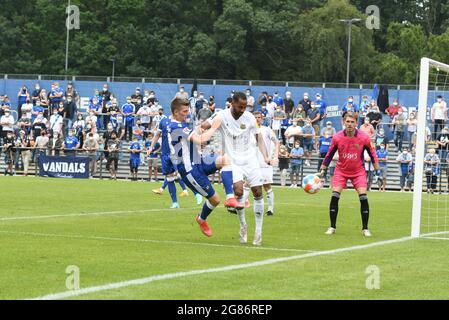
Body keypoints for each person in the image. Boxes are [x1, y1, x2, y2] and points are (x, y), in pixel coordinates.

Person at [199, 92, 270, 246]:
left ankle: (258, 231)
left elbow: (259, 138)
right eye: (240, 107)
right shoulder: (221, 115)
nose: (242, 110)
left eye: (245, 107)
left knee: (258, 192)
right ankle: (243, 226)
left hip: (250, 159)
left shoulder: (250, 117)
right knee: (238, 192)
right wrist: (201, 129)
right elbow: (205, 125)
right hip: (233, 161)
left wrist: (265, 156)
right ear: (232, 103)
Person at [168, 97, 237, 237]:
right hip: (190, 171)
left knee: (225, 160)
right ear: (175, 112)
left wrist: (208, 123)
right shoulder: (176, 127)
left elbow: (197, 132)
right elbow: (201, 140)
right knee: (215, 200)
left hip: (199, 161)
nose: (187, 113)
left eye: (188, 110)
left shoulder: (180, 124)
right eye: (184, 111)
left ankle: (230, 197)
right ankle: (201, 218)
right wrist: (215, 125)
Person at [318, 112, 379, 237]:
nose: (350, 124)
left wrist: (377, 169)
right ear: (343, 122)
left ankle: (365, 228)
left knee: (363, 197)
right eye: (348, 122)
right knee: (335, 196)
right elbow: (329, 154)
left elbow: (372, 154)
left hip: (358, 172)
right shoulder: (337, 137)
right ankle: (332, 227)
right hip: (341, 171)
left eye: (352, 122)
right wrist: (323, 169)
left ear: (356, 123)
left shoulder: (364, 138)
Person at [148, 113, 202, 208]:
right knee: (169, 178)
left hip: (176, 153)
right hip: (165, 154)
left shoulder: (181, 122)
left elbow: (189, 137)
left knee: (182, 174)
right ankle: (175, 203)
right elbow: (157, 135)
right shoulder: (163, 121)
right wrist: (151, 147)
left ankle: (196, 193)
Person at [243, 111, 279, 216]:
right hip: (252, 163)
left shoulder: (267, 130)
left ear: (262, 119)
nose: (257, 119)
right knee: (247, 184)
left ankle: (270, 209)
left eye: (259, 117)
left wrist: (275, 157)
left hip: (264, 163)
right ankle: (239, 206)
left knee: (266, 186)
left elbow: (277, 142)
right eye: (255, 117)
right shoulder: (249, 131)